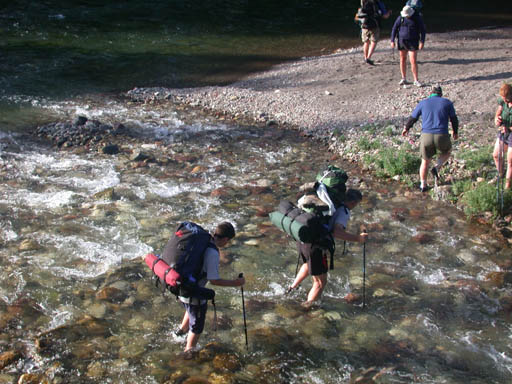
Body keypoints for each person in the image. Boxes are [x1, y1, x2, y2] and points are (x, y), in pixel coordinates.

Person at [173, 222, 245, 355]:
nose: (226, 244)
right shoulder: (212, 252)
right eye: (228, 241)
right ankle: (188, 354)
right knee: (197, 328)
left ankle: (180, 333)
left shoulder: (204, 240)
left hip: (180, 285)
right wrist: (236, 282)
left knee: (190, 310)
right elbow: (214, 280)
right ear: (225, 239)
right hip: (193, 291)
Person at [288, 189, 368, 306]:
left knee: (308, 264)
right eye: (356, 204)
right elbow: (337, 232)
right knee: (320, 283)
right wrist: (358, 239)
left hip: (303, 238)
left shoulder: (331, 203)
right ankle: (307, 309)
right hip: (316, 246)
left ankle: (291, 289)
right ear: (353, 202)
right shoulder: (343, 212)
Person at [402, 85, 459, 192]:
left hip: (426, 136)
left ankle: (423, 185)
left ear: (431, 93)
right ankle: (436, 167)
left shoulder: (423, 103)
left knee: (425, 161)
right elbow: (454, 119)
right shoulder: (447, 103)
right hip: (442, 135)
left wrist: (406, 128)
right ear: (440, 94)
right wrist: (455, 132)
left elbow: (413, 118)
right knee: (447, 152)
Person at [390, 5, 426, 87]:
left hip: (413, 42)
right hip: (402, 41)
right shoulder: (401, 18)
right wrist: (392, 40)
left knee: (413, 60)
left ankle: (416, 80)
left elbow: (423, 30)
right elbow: (394, 29)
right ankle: (403, 78)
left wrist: (422, 42)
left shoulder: (417, 18)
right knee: (402, 59)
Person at [355, 0, 391, 65]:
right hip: (375, 25)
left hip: (364, 25)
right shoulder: (378, 3)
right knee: (374, 41)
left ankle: (365, 57)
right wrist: (389, 12)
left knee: (366, 42)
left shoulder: (364, 2)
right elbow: (385, 16)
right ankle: (368, 57)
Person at [492, 83, 512, 189]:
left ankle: (507, 187)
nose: (504, 100)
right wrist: (497, 119)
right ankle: (500, 174)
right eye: (503, 98)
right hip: (504, 130)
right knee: (496, 155)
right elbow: (498, 112)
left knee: (510, 160)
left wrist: (508, 128)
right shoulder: (503, 102)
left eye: (506, 98)